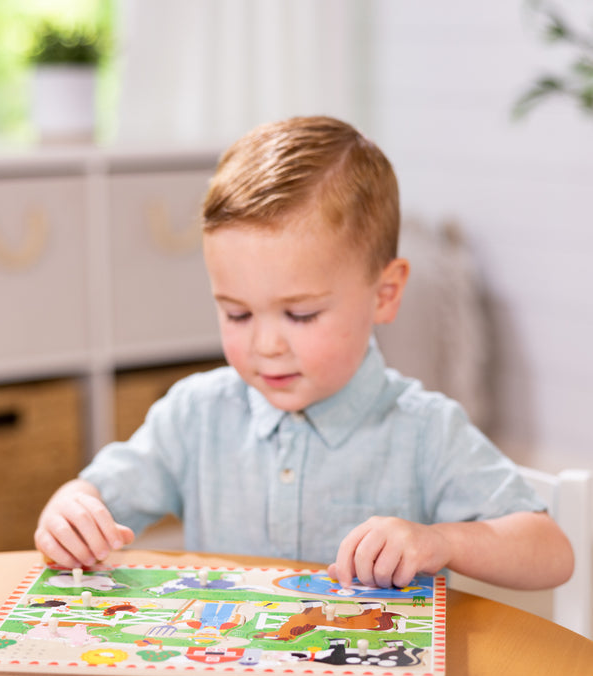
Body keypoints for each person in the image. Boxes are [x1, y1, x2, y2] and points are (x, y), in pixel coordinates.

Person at [35, 116, 573, 591]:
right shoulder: (196, 414)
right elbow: (95, 494)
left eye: (301, 315)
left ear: (384, 295)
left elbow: (550, 551)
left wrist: (441, 541)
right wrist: (70, 511)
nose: (266, 345)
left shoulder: (424, 431)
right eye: (237, 313)